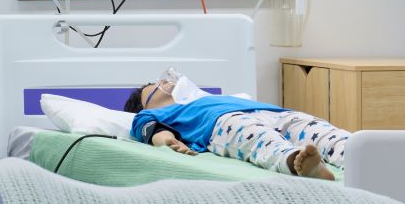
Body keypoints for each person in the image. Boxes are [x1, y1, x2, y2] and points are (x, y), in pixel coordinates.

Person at [122, 77, 343, 180]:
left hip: (275, 113)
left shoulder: (212, 97)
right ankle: (297, 162)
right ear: (147, 105)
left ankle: (361, 154)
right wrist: (169, 141)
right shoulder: (153, 114)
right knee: (261, 141)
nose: (167, 83)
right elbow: (151, 130)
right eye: (157, 88)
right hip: (221, 123)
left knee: (328, 135)